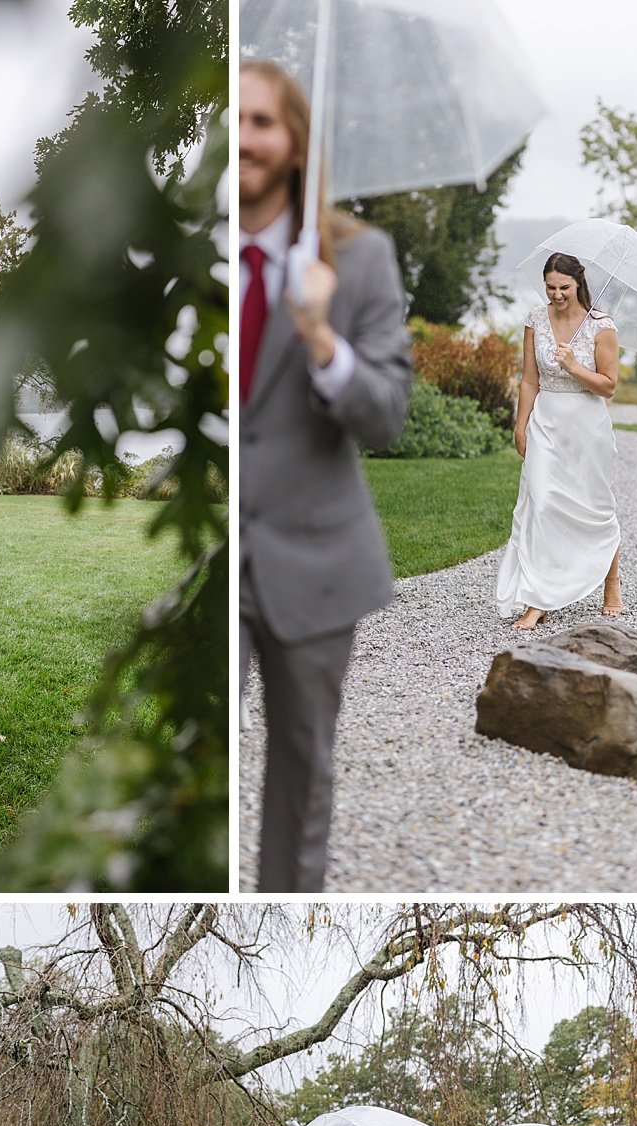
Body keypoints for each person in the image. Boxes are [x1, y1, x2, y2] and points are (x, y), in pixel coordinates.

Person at [239, 60, 412, 893]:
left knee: (301, 770)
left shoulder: (361, 259)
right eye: (230, 120)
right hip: (206, 562)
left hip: (312, 557)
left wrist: (318, 335)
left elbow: (385, 414)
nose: (244, 138)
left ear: (295, 139)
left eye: (263, 121)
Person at [496, 252, 622, 630]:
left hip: (587, 429)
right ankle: (539, 598)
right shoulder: (536, 319)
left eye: (563, 287)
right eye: (550, 287)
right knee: (541, 502)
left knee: (594, 507)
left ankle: (611, 583)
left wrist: (572, 366)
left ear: (578, 284)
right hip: (546, 422)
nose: (556, 294)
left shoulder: (602, 326)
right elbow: (529, 378)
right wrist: (521, 426)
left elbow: (609, 386)